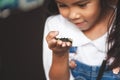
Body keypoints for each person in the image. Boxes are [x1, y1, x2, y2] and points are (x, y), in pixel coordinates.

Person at [43, 0, 120, 80]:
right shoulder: (56, 25)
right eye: (63, 5)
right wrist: (59, 55)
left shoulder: (117, 20)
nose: (73, 15)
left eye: (82, 5)